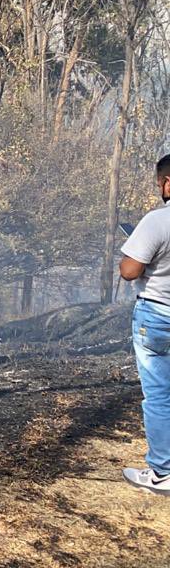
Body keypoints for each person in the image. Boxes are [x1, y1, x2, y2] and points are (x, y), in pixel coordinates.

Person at [117, 153, 170, 497]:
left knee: (158, 396)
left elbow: (129, 271)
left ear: (168, 184)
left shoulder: (156, 221)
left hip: (157, 317)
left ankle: (163, 473)